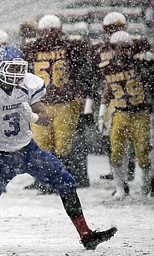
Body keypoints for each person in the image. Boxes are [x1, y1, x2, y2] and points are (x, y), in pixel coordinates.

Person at [0, 45, 118, 251]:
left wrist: (34, 116)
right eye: (11, 69)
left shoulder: (27, 85)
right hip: (1, 158)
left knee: (67, 183)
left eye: (19, 69)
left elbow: (44, 118)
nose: (16, 74)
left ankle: (86, 235)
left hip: (29, 151)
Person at [23, 14, 94, 193]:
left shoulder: (34, 48)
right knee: (45, 146)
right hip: (45, 102)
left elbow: (86, 65)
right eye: (46, 32)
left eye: (51, 32)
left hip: (60, 102)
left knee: (61, 146)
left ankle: (55, 181)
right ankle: (50, 181)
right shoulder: (69, 46)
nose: (48, 35)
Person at [90, 12, 151, 183]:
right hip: (117, 100)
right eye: (111, 28)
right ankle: (120, 177)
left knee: (142, 146)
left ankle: (139, 175)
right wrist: (102, 112)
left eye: (117, 27)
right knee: (115, 142)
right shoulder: (102, 51)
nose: (121, 50)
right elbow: (104, 84)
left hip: (140, 104)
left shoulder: (140, 51)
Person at [97, 31, 154, 200]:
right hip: (120, 113)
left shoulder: (141, 63)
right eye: (118, 47)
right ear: (113, 48)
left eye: (125, 47)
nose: (121, 51)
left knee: (143, 152)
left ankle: (145, 185)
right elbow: (107, 91)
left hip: (141, 113)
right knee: (117, 151)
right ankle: (120, 187)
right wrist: (101, 114)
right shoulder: (108, 66)